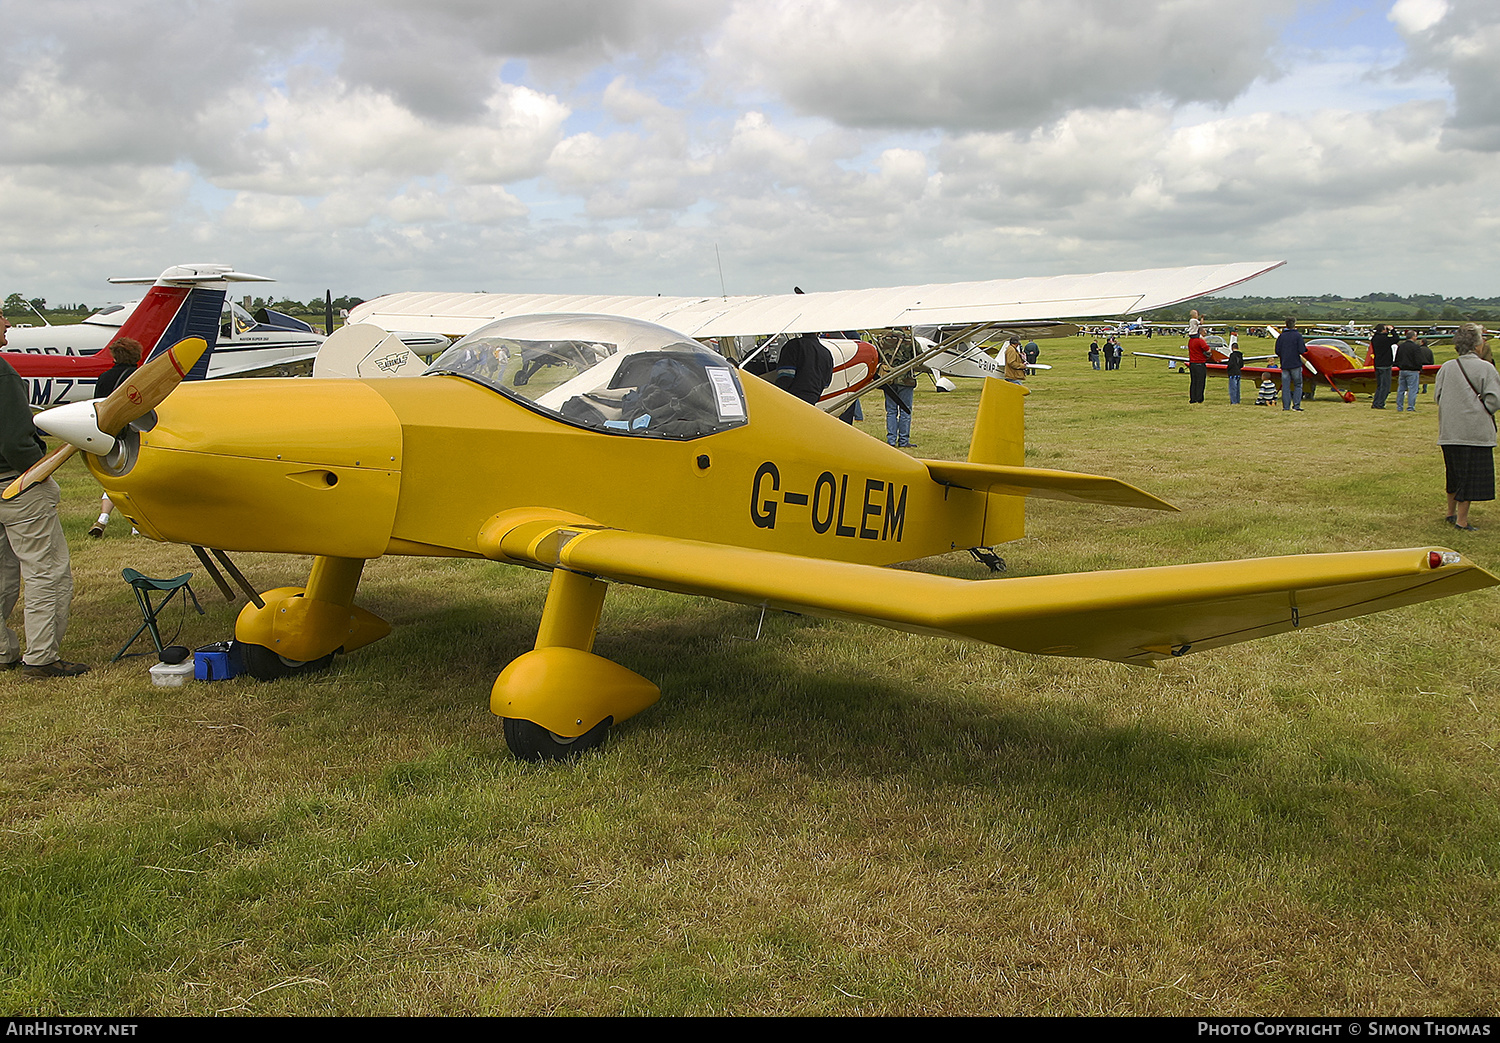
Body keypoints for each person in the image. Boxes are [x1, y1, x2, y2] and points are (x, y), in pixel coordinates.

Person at [0, 313, 87, 678]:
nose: (6, 323)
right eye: (0, 317)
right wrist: (38, 470)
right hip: (15, 486)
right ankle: (41, 658)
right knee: (45, 571)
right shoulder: (3, 374)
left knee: (3, 572)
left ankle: (3, 651)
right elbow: (16, 440)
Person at [1435, 323, 1500, 531]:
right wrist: (1482, 410)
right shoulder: (1486, 368)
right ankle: (1462, 521)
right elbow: (1495, 399)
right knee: (1470, 478)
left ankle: (1450, 513)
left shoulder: (1446, 367)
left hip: (1449, 431)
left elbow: (1438, 396)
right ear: (1477, 344)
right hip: (1474, 432)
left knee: (1453, 474)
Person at [87, 338, 142, 537]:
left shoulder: (104, 378)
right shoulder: (140, 377)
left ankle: (103, 518)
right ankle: (137, 525)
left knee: (113, 478)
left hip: (112, 435)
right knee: (136, 478)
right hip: (137, 434)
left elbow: (98, 406)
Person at [878, 331, 919, 448]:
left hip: (888, 379)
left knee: (891, 411)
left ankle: (891, 440)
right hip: (906, 379)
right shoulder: (909, 339)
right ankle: (903, 440)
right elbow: (919, 356)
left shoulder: (882, 338)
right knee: (905, 411)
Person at [774, 332, 832, 405]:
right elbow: (826, 383)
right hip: (812, 401)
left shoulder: (793, 345)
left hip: (791, 400)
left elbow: (785, 377)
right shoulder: (826, 353)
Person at [1276, 319, 1306, 411]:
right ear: (1294, 324)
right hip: (1295, 364)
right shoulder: (1298, 336)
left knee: (1285, 386)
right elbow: (1302, 350)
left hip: (1285, 364)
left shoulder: (1281, 336)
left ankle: (1286, 407)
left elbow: (1277, 351)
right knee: (1297, 385)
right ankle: (1296, 405)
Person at [1394, 329, 1424, 413]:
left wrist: (1399, 366)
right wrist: (1419, 368)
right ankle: (1410, 407)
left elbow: (1397, 359)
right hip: (1413, 370)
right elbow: (1418, 359)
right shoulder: (1415, 347)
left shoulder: (1401, 346)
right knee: (1412, 389)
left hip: (1402, 370)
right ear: (1413, 337)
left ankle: (1399, 407)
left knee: (1401, 389)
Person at [1370, 323, 1398, 409]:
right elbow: (1396, 339)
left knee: (1379, 385)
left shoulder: (1375, 338)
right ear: (1383, 330)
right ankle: (1380, 403)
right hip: (1385, 364)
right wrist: (1392, 330)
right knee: (1385, 386)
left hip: (1377, 364)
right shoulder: (1384, 339)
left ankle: (1376, 402)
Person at [1186, 325, 1210, 403]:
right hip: (1200, 363)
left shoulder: (1190, 341)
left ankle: (1193, 398)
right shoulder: (1200, 341)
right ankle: (1199, 398)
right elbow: (1208, 350)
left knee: (1193, 381)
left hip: (1192, 363)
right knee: (1200, 382)